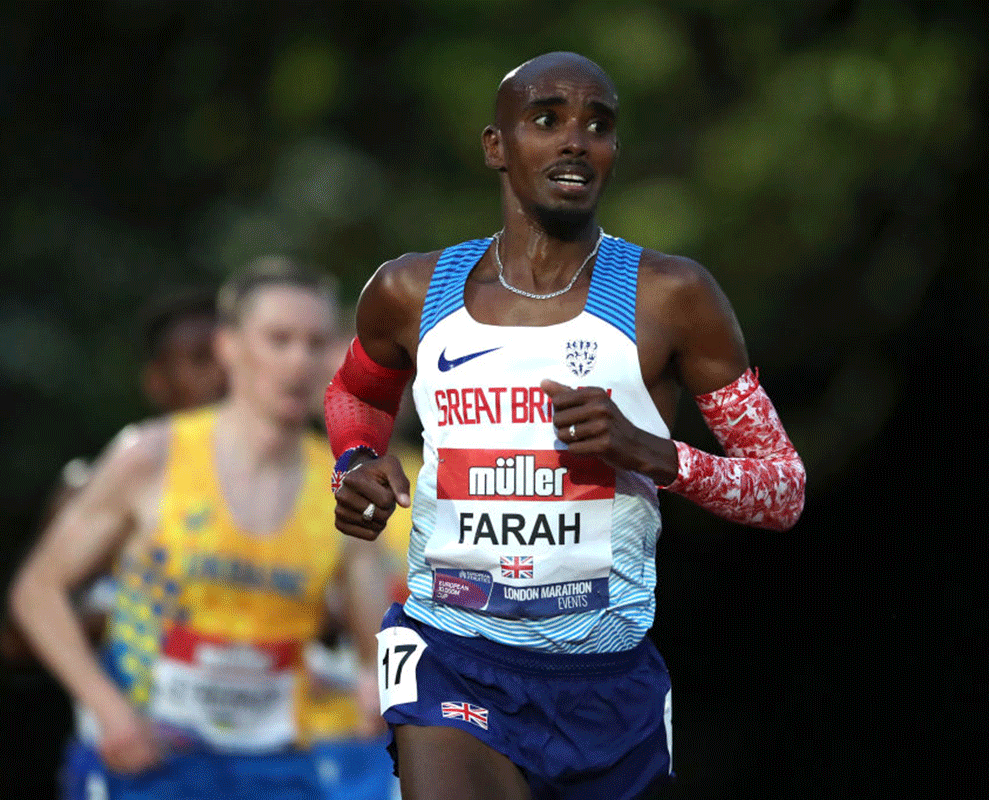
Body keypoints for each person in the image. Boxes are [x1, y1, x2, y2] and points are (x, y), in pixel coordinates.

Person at [325, 51, 806, 800]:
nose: (575, 140)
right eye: (547, 119)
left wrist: (656, 454)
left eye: (599, 125)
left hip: (604, 682)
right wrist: (354, 458)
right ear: (497, 146)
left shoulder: (672, 296)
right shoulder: (410, 291)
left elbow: (782, 490)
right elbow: (355, 393)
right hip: (451, 652)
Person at [9, 260, 391, 800]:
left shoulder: (341, 482)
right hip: (150, 759)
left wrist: (379, 681)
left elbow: (375, 636)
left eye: (316, 342)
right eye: (278, 339)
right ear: (228, 346)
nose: (299, 361)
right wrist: (107, 708)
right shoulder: (152, 456)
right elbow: (37, 591)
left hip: (275, 767)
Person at [0, 287, 226, 664]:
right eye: (201, 359)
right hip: (131, 718)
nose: (221, 376)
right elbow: (18, 639)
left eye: (230, 359)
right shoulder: (91, 488)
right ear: (157, 382)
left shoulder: (305, 487)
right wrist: (144, 613)